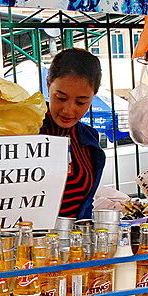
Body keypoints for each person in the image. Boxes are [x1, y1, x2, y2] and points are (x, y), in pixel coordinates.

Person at [40, 48, 106, 220]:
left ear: (93, 95)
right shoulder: (25, 132)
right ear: (48, 85)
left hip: (75, 236)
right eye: (60, 98)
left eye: (81, 102)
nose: (68, 110)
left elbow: (86, 204)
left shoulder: (89, 139)